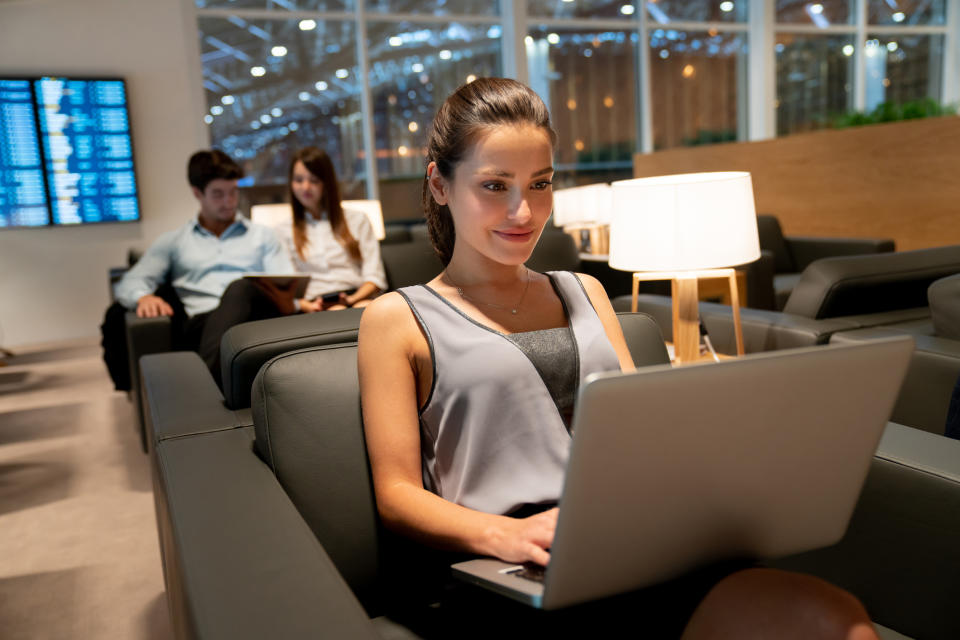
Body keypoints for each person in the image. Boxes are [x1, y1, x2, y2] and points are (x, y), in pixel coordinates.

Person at [357, 78, 879, 638]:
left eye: (540, 184)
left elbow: (636, 440)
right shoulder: (396, 318)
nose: (523, 211)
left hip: (637, 546)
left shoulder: (586, 290)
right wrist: (502, 535)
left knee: (837, 619)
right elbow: (397, 495)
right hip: (513, 563)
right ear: (440, 184)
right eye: (494, 185)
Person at [101, 149, 294, 389]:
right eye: (218, 194)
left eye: (233, 192)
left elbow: (285, 282)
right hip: (203, 325)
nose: (229, 202)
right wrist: (143, 297)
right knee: (235, 294)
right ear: (197, 193)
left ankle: (202, 389)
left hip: (256, 321)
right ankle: (214, 383)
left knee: (241, 288)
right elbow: (131, 281)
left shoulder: (263, 236)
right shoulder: (174, 242)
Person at [280, 147, 386, 312]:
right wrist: (307, 306)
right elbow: (289, 287)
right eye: (299, 180)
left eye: (314, 180)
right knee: (339, 311)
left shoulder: (357, 220)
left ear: (327, 183)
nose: (305, 187)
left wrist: (351, 299)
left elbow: (375, 277)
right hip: (315, 304)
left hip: (357, 296)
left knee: (367, 310)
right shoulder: (284, 231)